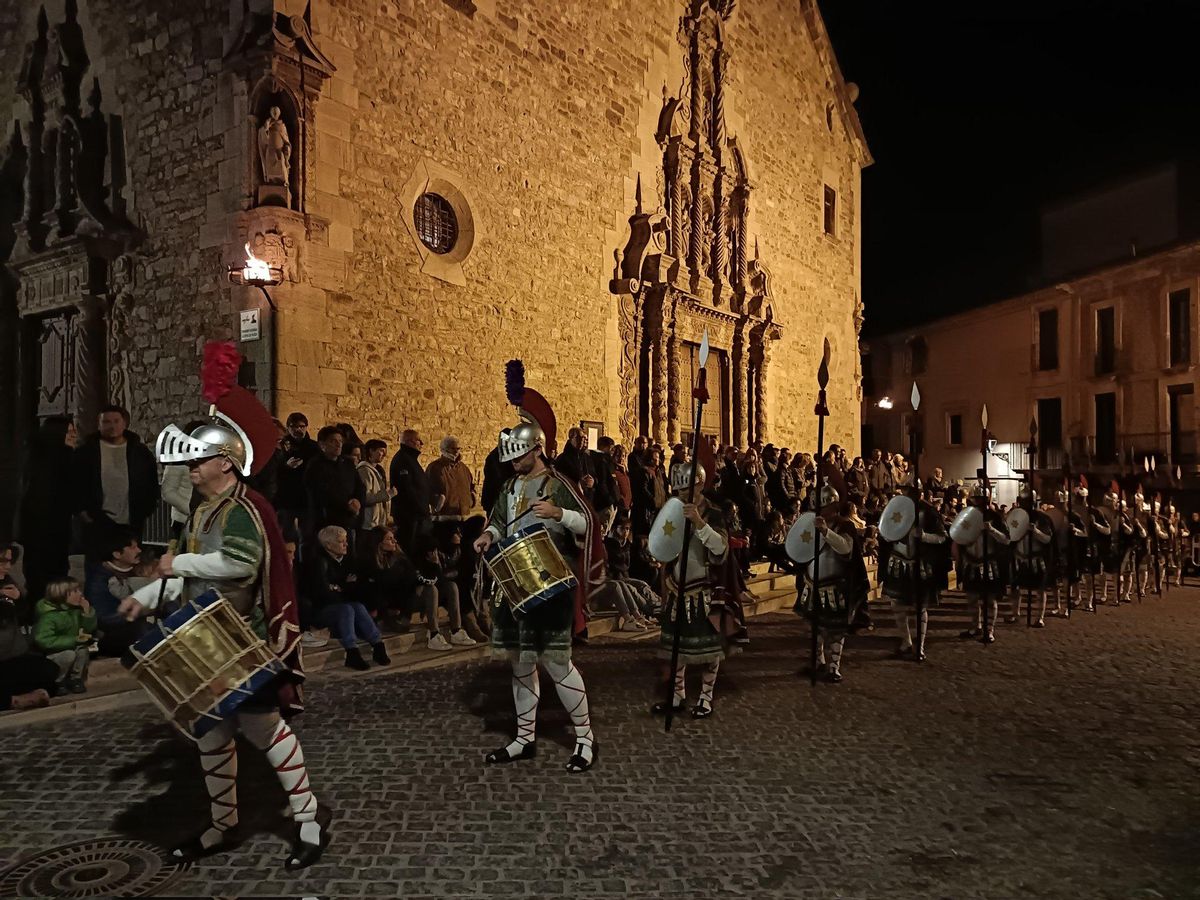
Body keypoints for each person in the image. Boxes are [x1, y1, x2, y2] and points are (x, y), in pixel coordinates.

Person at [118, 362, 329, 870]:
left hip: (244, 642)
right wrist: (147, 597)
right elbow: (186, 571)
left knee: (264, 731)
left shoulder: (244, 507)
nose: (191, 469)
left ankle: (308, 820)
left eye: (200, 461)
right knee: (210, 735)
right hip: (209, 639)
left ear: (226, 463)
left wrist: (180, 563)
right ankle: (222, 825)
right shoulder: (201, 510)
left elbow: (240, 563)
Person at [473, 374, 598, 772]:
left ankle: (584, 739)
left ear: (535, 449)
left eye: (517, 455)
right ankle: (524, 738)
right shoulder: (509, 488)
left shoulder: (557, 483)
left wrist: (560, 514)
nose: (511, 462)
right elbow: (498, 522)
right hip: (515, 588)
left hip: (550, 587)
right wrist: (487, 535)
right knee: (521, 663)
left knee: (559, 664)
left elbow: (589, 523)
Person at [653, 462, 734, 716]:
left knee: (709, 648)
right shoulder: (674, 511)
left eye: (684, 489)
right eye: (676, 490)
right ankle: (677, 696)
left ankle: (706, 698)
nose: (679, 495)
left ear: (699, 484)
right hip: (676, 588)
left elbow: (721, 548)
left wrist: (699, 522)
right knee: (676, 648)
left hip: (704, 589)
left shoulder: (714, 513)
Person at [794, 481, 869, 682]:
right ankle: (819, 662)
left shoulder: (845, 525)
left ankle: (834, 667)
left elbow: (845, 548)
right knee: (814, 626)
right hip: (812, 585)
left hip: (835, 587)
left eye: (822, 507)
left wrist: (826, 532)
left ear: (833, 506)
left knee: (836, 629)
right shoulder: (809, 523)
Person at [72, 405, 159, 559]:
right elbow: (75, 485)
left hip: (131, 521)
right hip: (98, 522)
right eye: (106, 422)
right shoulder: (86, 453)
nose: (112, 426)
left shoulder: (139, 452)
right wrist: (84, 514)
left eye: (116, 421)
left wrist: (146, 509)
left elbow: (150, 482)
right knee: (98, 566)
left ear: (124, 423)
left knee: (129, 565)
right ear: (98, 425)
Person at [308, 526, 389, 670]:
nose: (346, 545)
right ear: (328, 545)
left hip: (342, 604)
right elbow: (322, 592)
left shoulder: (348, 560)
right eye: (341, 542)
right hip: (322, 610)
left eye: (346, 541)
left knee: (357, 606)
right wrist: (345, 586)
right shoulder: (319, 562)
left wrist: (339, 587)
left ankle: (378, 645)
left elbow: (356, 586)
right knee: (347, 609)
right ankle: (351, 651)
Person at [18, 416, 77, 604]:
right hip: (42, 527)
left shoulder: (62, 456)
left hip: (56, 524)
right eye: (68, 431)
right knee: (42, 570)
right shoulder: (43, 460)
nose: (73, 435)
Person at [84, 528, 152, 657]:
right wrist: (137, 613)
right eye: (132, 548)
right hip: (111, 634)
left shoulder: (133, 571)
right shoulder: (100, 581)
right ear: (117, 554)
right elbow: (102, 619)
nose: (139, 551)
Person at [0, 557, 56, 711]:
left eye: (9, 562)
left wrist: (18, 600)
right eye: (2, 562)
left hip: (10, 657)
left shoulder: (8, 583)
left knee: (48, 671)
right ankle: (14, 701)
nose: (7, 567)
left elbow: (24, 617)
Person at [958, 483, 1011, 643]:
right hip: (970, 561)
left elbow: (1006, 540)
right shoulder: (965, 516)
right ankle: (976, 627)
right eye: (976, 498)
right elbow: (958, 536)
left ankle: (989, 630)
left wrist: (991, 530)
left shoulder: (995, 517)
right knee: (972, 598)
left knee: (990, 599)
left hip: (989, 563)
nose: (978, 501)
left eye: (980, 498)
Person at [33, 577, 96, 695]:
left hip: (72, 646)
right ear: (61, 594)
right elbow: (44, 640)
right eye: (75, 591)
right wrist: (73, 640)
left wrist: (87, 613)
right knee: (69, 655)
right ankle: (58, 681)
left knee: (82, 651)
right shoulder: (49, 616)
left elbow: (88, 628)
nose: (80, 594)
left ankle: (75, 679)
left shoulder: (74, 611)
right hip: (52, 653)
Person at [304, 426, 365, 540]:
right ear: (322, 444)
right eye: (333, 441)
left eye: (340, 441)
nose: (338, 444)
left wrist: (358, 501)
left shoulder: (347, 463)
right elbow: (321, 493)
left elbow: (360, 486)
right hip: (327, 520)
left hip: (349, 520)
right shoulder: (315, 466)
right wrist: (346, 505)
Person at [276, 413, 320, 537]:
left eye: (301, 426)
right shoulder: (282, 446)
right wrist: (286, 467)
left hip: (306, 498)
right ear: (288, 428)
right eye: (294, 426)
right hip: (287, 498)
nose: (298, 430)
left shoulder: (314, 447)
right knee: (286, 535)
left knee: (307, 535)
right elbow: (275, 471)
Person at [390, 429, 433, 554]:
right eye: (418, 440)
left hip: (417, 515)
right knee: (410, 548)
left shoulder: (410, 459)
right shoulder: (403, 460)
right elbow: (407, 489)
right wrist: (422, 509)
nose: (421, 443)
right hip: (410, 516)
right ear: (409, 441)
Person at [427, 435, 476, 519]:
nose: (456, 451)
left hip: (464, 514)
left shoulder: (463, 468)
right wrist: (438, 503)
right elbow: (428, 490)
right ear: (444, 449)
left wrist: (471, 500)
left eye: (458, 448)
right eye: (453, 448)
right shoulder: (435, 468)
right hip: (445, 516)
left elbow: (471, 486)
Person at [357, 439, 394, 533]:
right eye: (381, 450)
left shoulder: (376, 470)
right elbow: (366, 497)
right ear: (371, 451)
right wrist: (388, 494)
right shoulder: (364, 471)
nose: (384, 454)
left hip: (376, 522)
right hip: (369, 523)